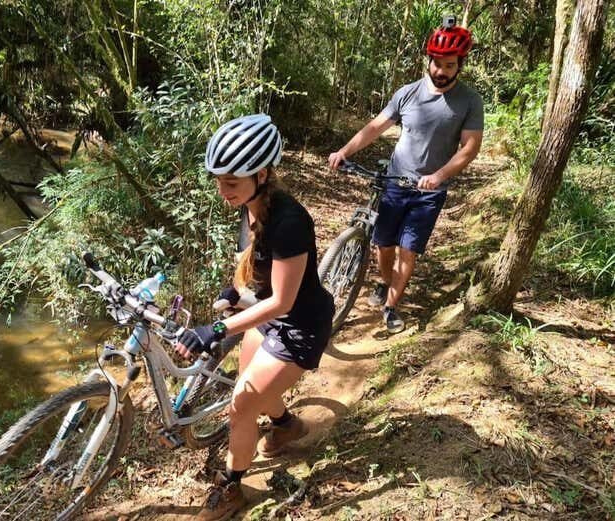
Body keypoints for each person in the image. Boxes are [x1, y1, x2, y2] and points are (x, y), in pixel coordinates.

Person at [175, 113, 334, 520]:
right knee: (253, 389)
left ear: (261, 174)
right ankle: (285, 425)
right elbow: (250, 261)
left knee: (241, 406)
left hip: (299, 324)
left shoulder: (290, 221)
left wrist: (218, 328)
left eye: (231, 182)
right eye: (219, 180)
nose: (221, 190)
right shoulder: (248, 204)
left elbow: (282, 301)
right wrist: (235, 292)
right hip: (267, 313)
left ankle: (233, 488)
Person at [328, 17, 484, 334]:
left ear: (460, 65)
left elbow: (469, 148)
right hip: (396, 183)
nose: (441, 71)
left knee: (407, 250)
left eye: (449, 65)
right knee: (383, 245)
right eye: (437, 63)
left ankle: (390, 307)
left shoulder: (470, 101)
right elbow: (375, 127)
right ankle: (386, 284)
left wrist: (439, 176)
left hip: (429, 192)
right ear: (429, 60)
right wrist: (345, 151)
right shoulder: (407, 94)